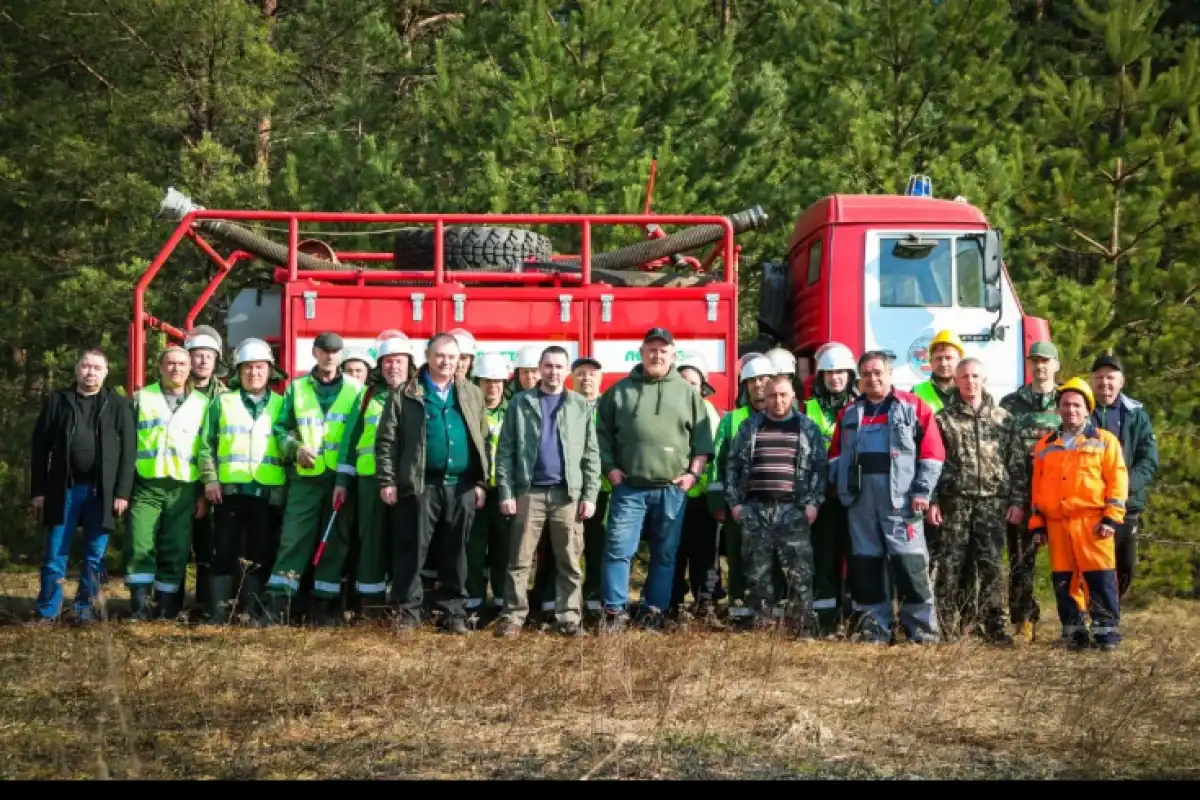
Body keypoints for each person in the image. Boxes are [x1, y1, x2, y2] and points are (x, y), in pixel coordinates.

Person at [596, 327, 713, 631]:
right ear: (641, 352)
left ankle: (654, 611)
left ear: (672, 355)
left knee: (665, 554)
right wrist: (610, 469)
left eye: (663, 350)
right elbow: (600, 435)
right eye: (651, 349)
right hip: (629, 488)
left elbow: (702, 441)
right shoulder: (619, 391)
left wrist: (692, 475)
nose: (657, 354)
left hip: (671, 490)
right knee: (618, 550)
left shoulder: (687, 393)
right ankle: (614, 612)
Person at [375, 333, 491, 634]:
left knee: (457, 552)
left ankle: (453, 614)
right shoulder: (405, 393)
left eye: (452, 357)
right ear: (427, 356)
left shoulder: (471, 393)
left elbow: (483, 440)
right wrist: (387, 480)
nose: (446, 362)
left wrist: (481, 482)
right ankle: (408, 614)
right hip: (421, 485)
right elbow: (386, 441)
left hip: (462, 486)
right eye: (440, 356)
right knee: (413, 551)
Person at [828, 351, 944, 645]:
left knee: (910, 566)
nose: (872, 378)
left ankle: (921, 633)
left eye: (878, 372)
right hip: (860, 503)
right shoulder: (849, 414)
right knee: (865, 567)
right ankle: (874, 630)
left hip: (902, 503)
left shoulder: (914, 407)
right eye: (866, 374)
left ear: (890, 374)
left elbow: (932, 454)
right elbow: (835, 456)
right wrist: (839, 489)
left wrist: (922, 491)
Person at [493, 346, 601, 637]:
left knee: (569, 559)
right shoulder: (520, 403)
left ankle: (568, 618)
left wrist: (590, 495)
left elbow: (591, 455)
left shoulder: (580, 406)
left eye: (558, 367)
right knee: (519, 560)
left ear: (567, 372)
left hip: (567, 494)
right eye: (548, 366)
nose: (553, 372)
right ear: (539, 369)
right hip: (529, 492)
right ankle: (513, 617)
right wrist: (506, 491)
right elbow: (505, 452)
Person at [262, 332, 364, 626]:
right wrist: (295, 449)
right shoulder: (297, 388)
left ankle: (325, 609)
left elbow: (356, 436)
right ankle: (278, 606)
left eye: (335, 351)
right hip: (305, 479)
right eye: (324, 350)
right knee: (293, 540)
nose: (330, 356)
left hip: (338, 478)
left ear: (341, 355)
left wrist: (344, 478)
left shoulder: (356, 389)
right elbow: (282, 429)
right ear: (315, 353)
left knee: (334, 541)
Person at [29, 348, 135, 625]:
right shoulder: (58, 401)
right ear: (77, 369)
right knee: (55, 553)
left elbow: (129, 453)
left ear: (106, 372)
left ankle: (85, 610)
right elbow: (40, 448)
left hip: (103, 492)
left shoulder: (118, 404)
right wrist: (38, 490)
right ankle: (47, 612)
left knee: (95, 555)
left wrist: (123, 492)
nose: (91, 372)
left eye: (97, 367)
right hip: (63, 489)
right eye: (86, 366)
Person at [927, 358, 1027, 645]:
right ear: (956, 381)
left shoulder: (1003, 419)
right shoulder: (943, 420)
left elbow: (1016, 464)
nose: (970, 381)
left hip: (992, 504)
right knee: (950, 566)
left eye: (975, 376)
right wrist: (933, 501)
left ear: (984, 379)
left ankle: (994, 626)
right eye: (964, 377)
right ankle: (946, 627)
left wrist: (1018, 501)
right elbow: (934, 464)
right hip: (955, 503)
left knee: (992, 567)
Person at [1028, 378, 1128, 651]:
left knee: (1100, 580)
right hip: (1058, 525)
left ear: (1087, 409)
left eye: (1076, 405)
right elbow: (1036, 489)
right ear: (1058, 409)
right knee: (1064, 582)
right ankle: (1074, 635)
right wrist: (1037, 524)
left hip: (1094, 524)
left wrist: (1111, 517)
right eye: (1065, 405)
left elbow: (1118, 483)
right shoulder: (1044, 446)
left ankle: (1106, 635)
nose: (1070, 410)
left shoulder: (1106, 442)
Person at [724, 374, 827, 636]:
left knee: (800, 574)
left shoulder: (808, 428)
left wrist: (813, 503)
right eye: (772, 395)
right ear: (764, 398)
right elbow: (732, 466)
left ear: (793, 396)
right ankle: (762, 627)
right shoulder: (750, 426)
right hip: (756, 510)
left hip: (794, 510)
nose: (778, 400)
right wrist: (735, 505)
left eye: (783, 394)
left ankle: (801, 628)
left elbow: (820, 468)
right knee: (757, 573)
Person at [198, 338, 285, 624]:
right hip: (228, 492)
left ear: (270, 370)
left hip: (267, 494)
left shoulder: (282, 405)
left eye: (260, 367)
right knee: (223, 551)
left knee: (261, 553)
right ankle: (219, 613)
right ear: (238, 371)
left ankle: (253, 612)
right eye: (247, 367)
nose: (254, 373)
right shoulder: (222, 403)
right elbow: (206, 445)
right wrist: (210, 480)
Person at [125, 346, 211, 621]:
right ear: (160, 368)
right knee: (140, 544)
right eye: (171, 364)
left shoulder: (203, 404)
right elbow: (125, 445)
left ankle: (167, 609)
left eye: (182, 364)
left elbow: (206, 450)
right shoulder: (141, 398)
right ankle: (139, 606)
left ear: (189, 370)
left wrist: (202, 494)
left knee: (176, 548)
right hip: (146, 485)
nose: (177, 369)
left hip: (183, 488)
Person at [333, 331, 414, 620]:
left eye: (399, 361)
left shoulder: (419, 395)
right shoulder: (367, 396)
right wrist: (343, 481)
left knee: (406, 543)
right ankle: (372, 609)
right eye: (388, 362)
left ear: (409, 363)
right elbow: (350, 439)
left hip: (407, 484)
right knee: (371, 544)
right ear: (380, 366)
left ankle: (404, 606)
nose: (394, 367)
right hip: (370, 482)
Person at [705, 353, 777, 621]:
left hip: (775, 503)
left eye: (763, 379)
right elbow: (717, 463)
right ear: (744, 386)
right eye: (752, 380)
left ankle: (770, 611)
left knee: (773, 559)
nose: (758, 384)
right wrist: (717, 501)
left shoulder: (784, 416)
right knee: (738, 557)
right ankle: (739, 611)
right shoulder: (731, 420)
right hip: (739, 505)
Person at [999, 340, 1062, 643]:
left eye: (1045, 361)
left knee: (1069, 560)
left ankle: (1075, 618)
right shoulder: (1010, 404)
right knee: (1021, 561)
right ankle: (1023, 619)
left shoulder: (1069, 401)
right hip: (1024, 495)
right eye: (1034, 361)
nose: (1040, 366)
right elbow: (1001, 452)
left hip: (1062, 496)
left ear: (1056, 365)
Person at [1089, 354, 1158, 599]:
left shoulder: (1136, 414)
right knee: (1092, 566)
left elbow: (1148, 460)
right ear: (1092, 380)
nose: (1105, 383)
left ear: (1122, 381)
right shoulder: (1080, 410)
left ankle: (1111, 612)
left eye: (1110, 377)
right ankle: (1094, 617)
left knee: (1124, 565)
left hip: (1126, 505)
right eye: (1099, 377)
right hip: (1090, 505)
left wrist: (1121, 489)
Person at [804, 342, 859, 635]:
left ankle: (852, 619)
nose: (835, 377)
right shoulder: (809, 408)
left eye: (840, 372)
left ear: (850, 374)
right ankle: (824, 621)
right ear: (821, 376)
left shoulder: (861, 405)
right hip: (822, 496)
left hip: (854, 495)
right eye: (829, 372)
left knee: (856, 557)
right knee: (824, 557)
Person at [670, 354, 725, 624]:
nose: (688, 386)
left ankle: (706, 605)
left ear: (702, 385)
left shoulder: (709, 414)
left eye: (693, 382)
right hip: (672, 496)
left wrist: (707, 490)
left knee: (705, 557)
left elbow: (713, 456)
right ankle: (672, 605)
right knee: (673, 554)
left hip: (700, 499)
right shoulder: (666, 409)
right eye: (683, 381)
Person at [183, 325, 227, 622]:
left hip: (208, 484)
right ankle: (166, 604)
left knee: (208, 546)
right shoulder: (170, 390)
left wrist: (207, 488)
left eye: (207, 357)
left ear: (216, 360)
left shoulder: (226, 396)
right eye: (196, 356)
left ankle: (205, 603)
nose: (202, 362)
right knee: (170, 546)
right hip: (175, 479)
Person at [465, 352, 513, 621]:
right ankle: (473, 605)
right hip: (473, 491)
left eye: (497, 382)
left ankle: (504, 604)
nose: (492, 387)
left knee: (503, 550)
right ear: (477, 382)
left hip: (504, 492)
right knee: (472, 549)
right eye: (486, 382)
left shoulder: (514, 410)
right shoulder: (468, 409)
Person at [571, 356, 609, 616]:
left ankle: (595, 595)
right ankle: (565, 599)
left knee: (598, 545)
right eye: (581, 373)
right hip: (570, 488)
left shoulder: (610, 407)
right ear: (573, 378)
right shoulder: (565, 404)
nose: (587, 378)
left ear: (600, 378)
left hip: (604, 489)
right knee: (567, 548)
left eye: (592, 373)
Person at [913, 330, 962, 413]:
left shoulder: (971, 389)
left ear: (959, 361)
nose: (943, 363)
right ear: (930, 362)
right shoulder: (917, 392)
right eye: (939, 358)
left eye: (948, 358)